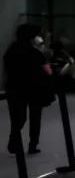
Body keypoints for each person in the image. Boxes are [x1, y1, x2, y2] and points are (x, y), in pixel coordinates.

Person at [4, 23, 55, 154]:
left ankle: (13, 143)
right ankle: (33, 145)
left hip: (15, 88)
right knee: (35, 117)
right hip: (35, 89)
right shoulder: (35, 53)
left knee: (18, 118)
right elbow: (48, 71)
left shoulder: (11, 51)